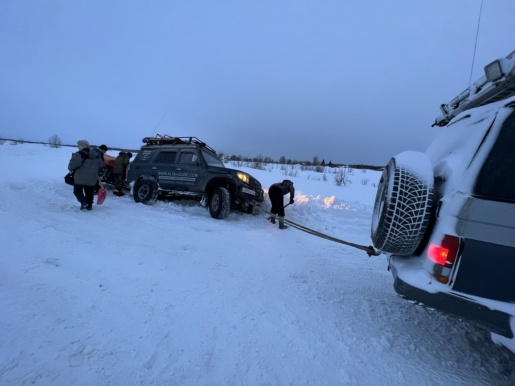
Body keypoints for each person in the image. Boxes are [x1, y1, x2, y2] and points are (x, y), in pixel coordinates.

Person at [68, 140, 104, 210]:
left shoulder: (79, 154)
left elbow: (71, 166)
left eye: (78, 145)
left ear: (81, 146)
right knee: (89, 191)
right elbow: (101, 164)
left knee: (77, 191)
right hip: (92, 177)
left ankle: (83, 202)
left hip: (79, 177)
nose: (78, 147)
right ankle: (89, 205)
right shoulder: (95, 154)